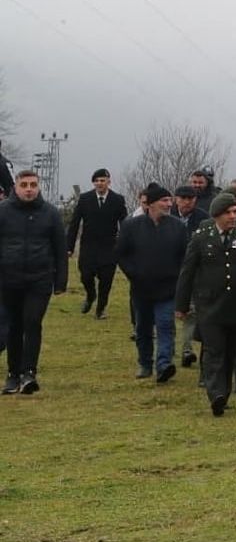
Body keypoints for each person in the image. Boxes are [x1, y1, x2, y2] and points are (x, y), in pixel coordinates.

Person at [175, 192, 236, 417]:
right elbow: (187, 272)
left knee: (231, 350)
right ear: (217, 215)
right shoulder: (201, 237)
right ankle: (215, 393)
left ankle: (223, 392)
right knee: (214, 349)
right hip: (209, 305)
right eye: (229, 213)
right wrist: (182, 304)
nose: (234, 216)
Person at [0, 170, 68, 394]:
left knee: (32, 322)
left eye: (33, 184)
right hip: (8, 280)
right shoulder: (3, 212)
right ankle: (13, 375)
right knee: (13, 326)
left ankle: (29, 372)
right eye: (24, 185)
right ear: (16, 187)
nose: (29, 189)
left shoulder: (50, 213)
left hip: (39, 280)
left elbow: (60, 249)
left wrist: (60, 282)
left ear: (38, 187)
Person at [115, 183, 187, 382]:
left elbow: (185, 256)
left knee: (165, 325)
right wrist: (133, 273)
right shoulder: (131, 226)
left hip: (168, 288)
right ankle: (145, 363)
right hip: (141, 288)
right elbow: (121, 254)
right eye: (164, 201)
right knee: (143, 328)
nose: (168, 204)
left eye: (169, 200)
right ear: (150, 205)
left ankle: (164, 364)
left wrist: (179, 277)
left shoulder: (178, 227)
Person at [65, 168, 128, 318]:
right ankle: (90, 295)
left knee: (106, 280)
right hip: (88, 246)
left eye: (103, 180)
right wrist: (69, 247)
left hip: (109, 247)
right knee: (86, 276)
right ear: (93, 183)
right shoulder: (85, 199)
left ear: (108, 182)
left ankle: (100, 309)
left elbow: (124, 223)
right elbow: (74, 223)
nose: (100, 183)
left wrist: (125, 244)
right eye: (97, 181)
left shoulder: (117, 200)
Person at [172, 185, 209, 367]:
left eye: (191, 199)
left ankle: (186, 350)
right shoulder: (167, 216)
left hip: (193, 272)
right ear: (176, 199)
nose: (187, 202)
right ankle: (168, 348)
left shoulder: (203, 218)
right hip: (169, 271)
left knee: (190, 311)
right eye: (183, 198)